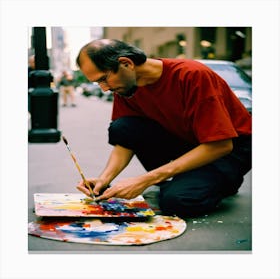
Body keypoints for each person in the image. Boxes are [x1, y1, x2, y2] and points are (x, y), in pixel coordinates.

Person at [75, 39, 252, 218]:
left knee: (178, 202)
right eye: (99, 83)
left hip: (230, 149)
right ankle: (192, 180)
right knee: (122, 127)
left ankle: (221, 180)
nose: (105, 88)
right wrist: (104, 180)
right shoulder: (125, 87)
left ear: (126, 63)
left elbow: (221, 145)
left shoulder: (192, 75)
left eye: (104, 79)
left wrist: (144, 180)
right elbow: (125, 139)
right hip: (189, 140)